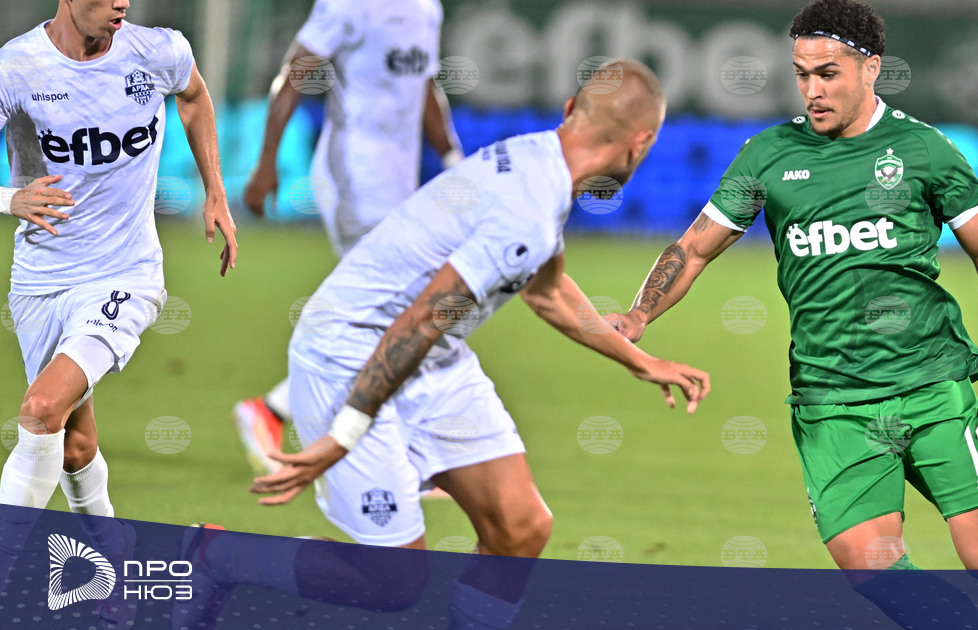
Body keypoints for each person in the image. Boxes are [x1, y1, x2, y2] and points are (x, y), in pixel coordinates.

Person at [172, 59, 708, 629]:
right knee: (391, 582)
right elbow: (421, 320)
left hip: (430, 358)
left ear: (571, 109)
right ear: (640, 144)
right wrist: (342, 437)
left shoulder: (537, 163)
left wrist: (640, 361)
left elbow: (547, 291)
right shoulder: (527, 210)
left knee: (520, 526)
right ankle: (215, 555)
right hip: (348, 354)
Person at [607, 2, 978, 629]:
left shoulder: (924, 151)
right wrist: (639, 315)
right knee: (870, 566)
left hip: (929, 384)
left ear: (870, 68)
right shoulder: (768, 156)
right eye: (802, 74)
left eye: (827, 73)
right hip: (831, 400)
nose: (812, 90)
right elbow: (694, 248)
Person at [0, 0, 237, 625]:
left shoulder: (157, 50)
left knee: (40, 409)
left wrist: (215, 190)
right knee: (73, 446)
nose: (122, 3)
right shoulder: (15, 68)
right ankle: (116, 559)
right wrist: (9, 198)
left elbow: (194, 95)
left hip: (126, 276)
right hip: (40, 281)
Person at [233, 0, 464, 477]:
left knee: (399, 311)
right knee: (406, 306)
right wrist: (266, 161)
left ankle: (276, 410)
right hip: (353, 174)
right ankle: (279, 412)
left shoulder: (427, 8)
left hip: (398, 182)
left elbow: (424, 85)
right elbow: (296, 72)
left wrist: (452, 159)